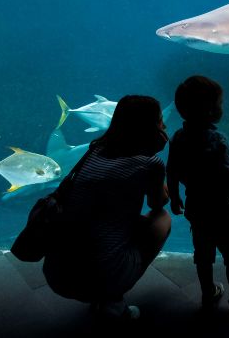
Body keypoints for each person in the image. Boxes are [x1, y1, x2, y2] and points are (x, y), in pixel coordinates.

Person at [42, 95, 171, 321]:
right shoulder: (150, 162)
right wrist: (154, 157)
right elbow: (158, 202)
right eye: (161, 121)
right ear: (151, 127)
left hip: (57, 274)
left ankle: (102, 286)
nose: (165, 125)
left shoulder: (93, 150)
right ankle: (113, 299)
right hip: (102, 277)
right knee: (162, 219)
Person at [166, 75, 229, 314]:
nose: (222, 107)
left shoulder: (178, 138)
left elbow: (171, 171)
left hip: (196, 207)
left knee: (203, 254)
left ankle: (208, 292)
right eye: (220, 104)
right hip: (222, 208)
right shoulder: (218, 140)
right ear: (211, 111)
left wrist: (174, 197)